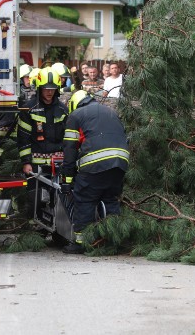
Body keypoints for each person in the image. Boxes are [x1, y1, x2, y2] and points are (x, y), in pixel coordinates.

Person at [60, 90, 129, 253]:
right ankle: (114, 240)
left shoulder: (76, 115)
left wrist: (67, 181)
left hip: (94, 164)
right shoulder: (111, 112)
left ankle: (82, 242)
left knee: (84, 199)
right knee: (110, 199)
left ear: (74, 105)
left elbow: (69, 150)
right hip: (120, 162)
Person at [17, 68, 69, 218]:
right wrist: (26, 162)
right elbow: (23, 137)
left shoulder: (63, 110)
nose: (49, 92)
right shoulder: (29, 109)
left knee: (57, 199)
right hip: (35, 165)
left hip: (57, 164)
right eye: (46, 88)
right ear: (40, 88)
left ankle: (56, 229)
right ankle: (37, 228)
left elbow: (68, 138)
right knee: (36, 199)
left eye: (52, 89)